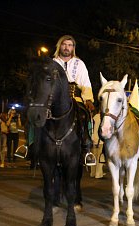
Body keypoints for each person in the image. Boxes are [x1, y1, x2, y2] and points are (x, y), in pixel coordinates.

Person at [53, 35, 96, 166]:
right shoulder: (52, 62)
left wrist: (88, 99)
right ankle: (31, 146)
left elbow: (85, 82)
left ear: (73, 48)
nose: (67, 47)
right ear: (60, 46)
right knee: (39, 114)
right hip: (54, 98)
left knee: (85, 116)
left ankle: (86, 147)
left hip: (75, 98)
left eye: (70, 45)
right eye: (64, 44)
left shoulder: (79, 63)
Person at [90, 109, 104, 178]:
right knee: (99, 158)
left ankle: (92, 173)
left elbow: (91, 127)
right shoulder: (103, 117)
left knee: (94, 157)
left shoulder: (95, 117)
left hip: (93, 139)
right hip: (100, 140)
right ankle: (98, 174)